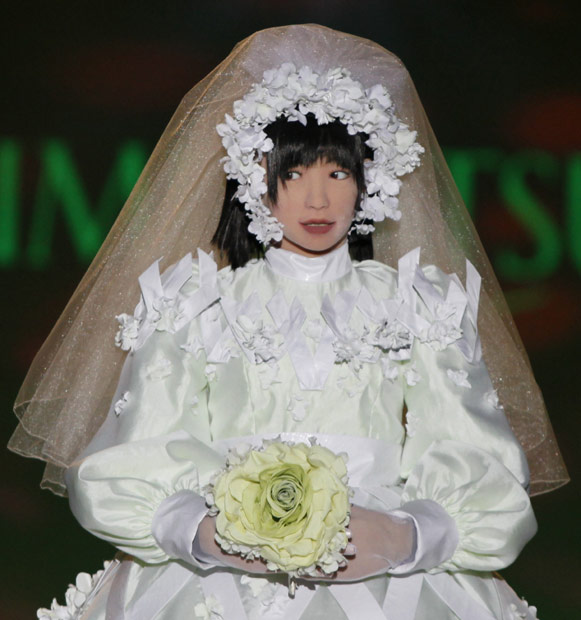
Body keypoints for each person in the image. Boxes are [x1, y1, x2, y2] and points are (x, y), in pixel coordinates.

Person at [10, 25, 568, 620]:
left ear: (371, 178)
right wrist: (203, 532)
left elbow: (476, 457)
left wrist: (408, 536)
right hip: (217, 570)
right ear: (255, 178)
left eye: (338, 173)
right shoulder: (197, 303)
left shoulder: (418, 304)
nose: (318, 201)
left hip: (380, 561)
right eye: (294, 173)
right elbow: (141, 453)